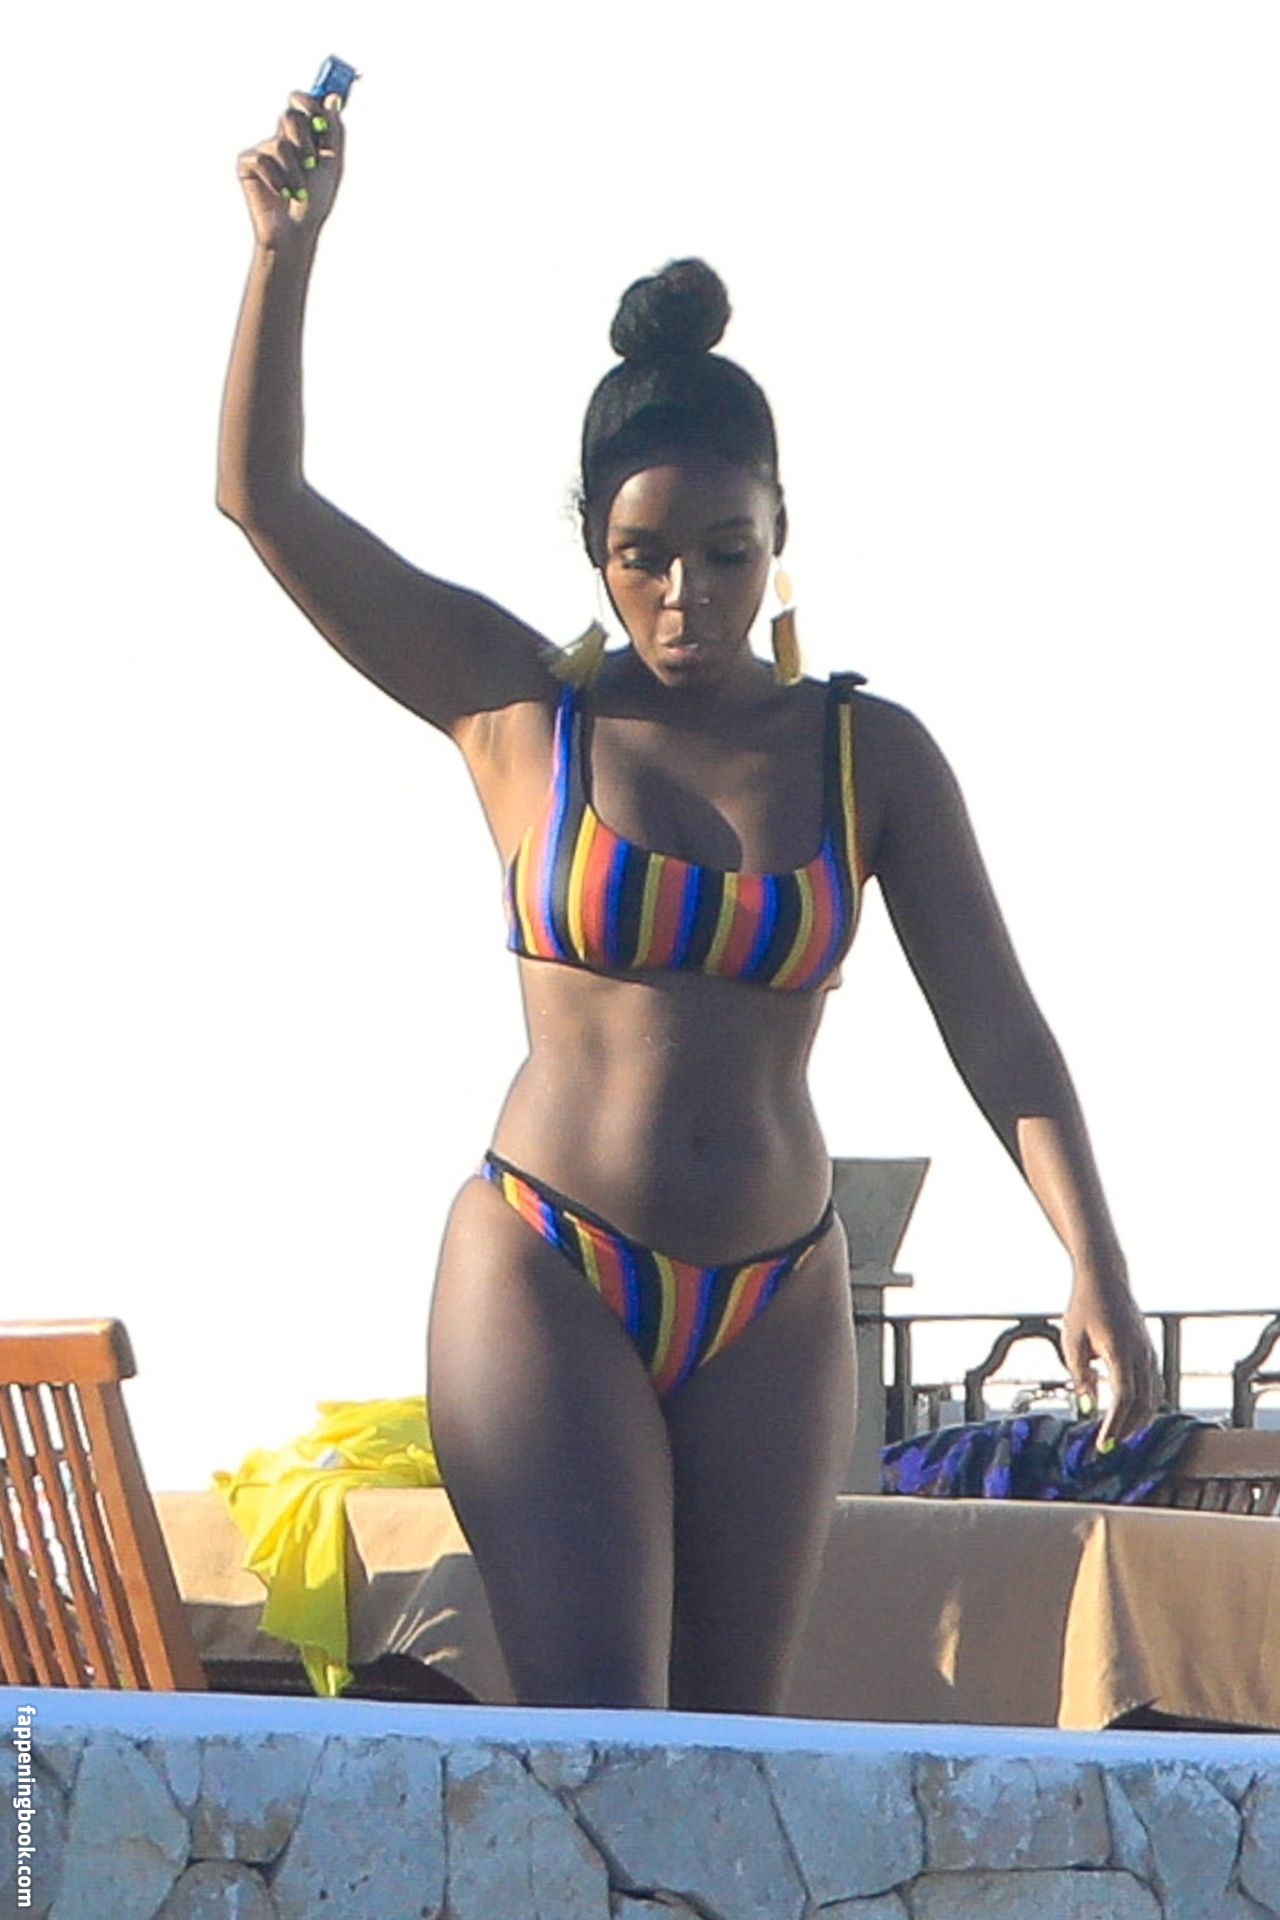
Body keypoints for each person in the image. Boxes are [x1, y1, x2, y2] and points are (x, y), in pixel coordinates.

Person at [219, 88, 1163, 1713]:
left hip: (776, 1295)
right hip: (548, 1262)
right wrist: (282, 255)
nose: (685, 596)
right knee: (608, 1729)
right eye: (644, 554)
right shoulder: (518, 711)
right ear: (592, 547)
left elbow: (999, 1028)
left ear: (781, 537)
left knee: (731, 1759)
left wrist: (1095, 1262)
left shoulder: (870, 755)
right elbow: (265, 500)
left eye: (728, 553)